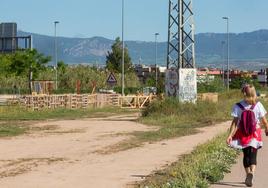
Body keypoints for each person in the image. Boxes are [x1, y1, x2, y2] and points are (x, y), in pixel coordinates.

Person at [226, 84, 268, 187]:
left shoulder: (238, 106)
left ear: (243, 93)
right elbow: (265, 121)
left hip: (242, 133)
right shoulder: (258, 105)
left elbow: (235, 122)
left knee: (246, 155)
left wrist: (230, 135)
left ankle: (247, 173)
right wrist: (267, 129)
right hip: (255, 133)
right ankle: (252, 173)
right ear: (254, 93)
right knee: (253, 154)